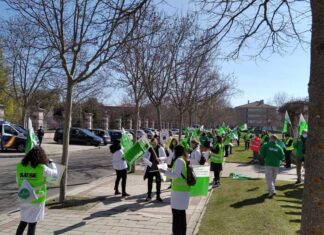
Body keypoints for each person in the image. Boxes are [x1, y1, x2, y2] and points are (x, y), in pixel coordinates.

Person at [16, 146, 58, 235]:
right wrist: (51, 163)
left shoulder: (19, 167)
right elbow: (55, 174)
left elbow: (17, 181)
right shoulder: (42, 168)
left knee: (23, 221)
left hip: (24, 196)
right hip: (37, 199)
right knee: (32, 223)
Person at [160, 145, 190, 235]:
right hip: (181, 191)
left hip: (179, 192)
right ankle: (180, 232)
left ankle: (177, 232)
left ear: (176, 151)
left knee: (177, 213)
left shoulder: (179, 160)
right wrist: (167, 170)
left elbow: (176, 175)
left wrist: (164, 172)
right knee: (181, 213)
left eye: (173, 151)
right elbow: (177, 173)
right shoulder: (181, 159)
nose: (172, 153)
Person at [142, 137, 167, 202]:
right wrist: (148, 162)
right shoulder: (149, 149)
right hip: (150, 168)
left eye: (155, 143)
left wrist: (160, 159)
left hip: (158, 168)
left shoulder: (161, 148)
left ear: (157, 142)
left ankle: (158, 196)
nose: (154, 145)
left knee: (158, 182)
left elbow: (165, 157)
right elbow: (144, 157)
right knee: (149, 182)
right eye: (152, 143)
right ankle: (149, 196)